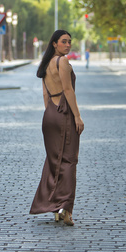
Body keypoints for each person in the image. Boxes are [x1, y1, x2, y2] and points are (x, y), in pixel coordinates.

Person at [30, 30, 85, 226]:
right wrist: (76, 116)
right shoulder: (62, 62)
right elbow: (68, 90)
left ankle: (55, 208)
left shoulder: (45, 64)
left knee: (55, 161)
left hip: (50, 115)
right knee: (69, 160)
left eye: (70, 41)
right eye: (64, 41)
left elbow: (45, 96)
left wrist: (51, 113)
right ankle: (67, 210)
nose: (68, 45)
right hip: (64, 114)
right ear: (54, 43)